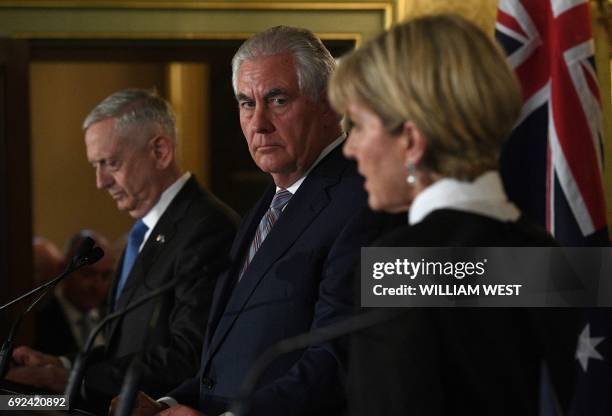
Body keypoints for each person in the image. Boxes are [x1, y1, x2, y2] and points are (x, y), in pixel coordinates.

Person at [118, 25, 401, 416]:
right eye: (246, 103)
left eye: (278, 100)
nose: (259, 123)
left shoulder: (363, 201)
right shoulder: (264, 206)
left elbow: (339, 358)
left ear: (330, 105)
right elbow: (227, 361)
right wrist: (170, 403)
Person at [327, 14, 579, 416]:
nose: (349, 148)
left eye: (356, 125)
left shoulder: (403, 267)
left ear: (411, 141)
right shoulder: (558, 255)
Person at [8, 89, 240, 410]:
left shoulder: (207, 228)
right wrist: (60, 365)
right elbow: (129, 348)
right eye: (95, 165)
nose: (100, 181)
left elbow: (188, 354)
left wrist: (73, 381)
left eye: (110, 163)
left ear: (160, 151)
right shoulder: (144, 231)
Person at [34, 230, 115, 356]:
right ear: (63, 269)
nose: (97, 285)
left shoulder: (113, 314)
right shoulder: (38, 319)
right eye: (88, 274)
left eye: (105, 276)